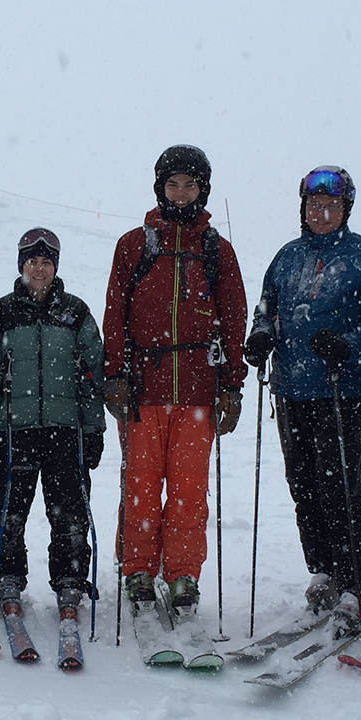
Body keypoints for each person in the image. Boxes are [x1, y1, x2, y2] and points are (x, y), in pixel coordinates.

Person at [102, 145, 248, 622]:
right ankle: (139, 569)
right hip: (144, 387)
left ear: (202, 189)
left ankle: (183, 572)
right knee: (141, 484)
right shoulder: (134, 244)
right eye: (173, 184)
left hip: (199, 390)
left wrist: (232, 384)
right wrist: (115, 374)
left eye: (190, 184)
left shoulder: (215, 249)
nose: (181, 193)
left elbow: (233, 318)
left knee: (189, 486)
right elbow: (115, 315)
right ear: (159, 188)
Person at [245, 167, 361, 624]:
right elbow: (267, 304)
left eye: (331, 206)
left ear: (346, 209)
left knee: (341, 487)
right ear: (303, 209)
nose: (321, 213)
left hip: (339, 390)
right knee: (303, 485)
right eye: (313, 206)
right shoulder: (288, 256)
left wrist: (349, 344)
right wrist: (261, 333)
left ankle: (356, 584)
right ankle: (324, 569)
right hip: (290, 389)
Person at [0, 228, 106, 627]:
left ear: (56, 267)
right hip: (14, 429)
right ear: (21, 265)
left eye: (46, 262)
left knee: (69, 511)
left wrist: (94, 429)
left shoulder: (75, 313)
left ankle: (70, 579)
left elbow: (93, 373)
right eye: (32, 261)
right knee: (8, 509)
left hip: (66, 429)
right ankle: (8, 576)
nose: (39, 269)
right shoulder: (1, 314)